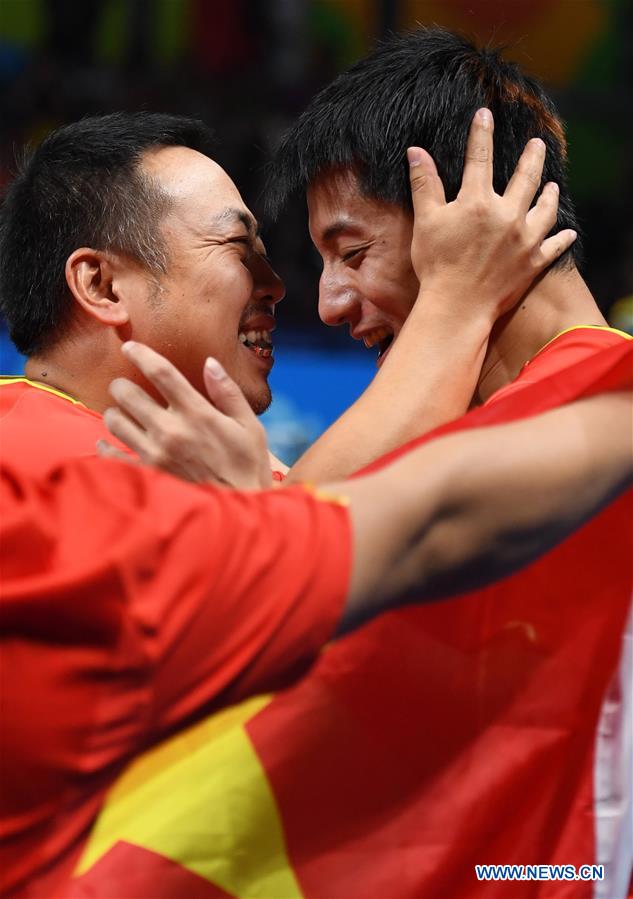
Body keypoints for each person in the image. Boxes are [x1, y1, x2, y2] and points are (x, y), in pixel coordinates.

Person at [96, 30, 632, 898]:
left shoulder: (602, 410)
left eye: (352, 253)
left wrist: (251, 517)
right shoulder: (472, 427)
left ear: (473, 215)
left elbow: (296, 569)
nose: (328, 303)